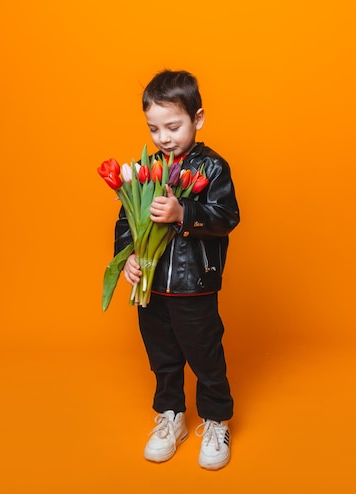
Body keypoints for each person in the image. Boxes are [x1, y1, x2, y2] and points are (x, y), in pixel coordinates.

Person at [114, 69, 240, 470]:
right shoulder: (146, 168)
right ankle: (170, 418)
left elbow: (227, 216)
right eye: (154, 128)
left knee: (204, 354)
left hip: (194, 285)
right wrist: (129, 256)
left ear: (197, 119)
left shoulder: (213, 168)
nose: (164, 137)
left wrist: (184, 212)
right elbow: (125, 222)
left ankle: (216, 420)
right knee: (162, 356)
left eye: (173, 126)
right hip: (152, 289)